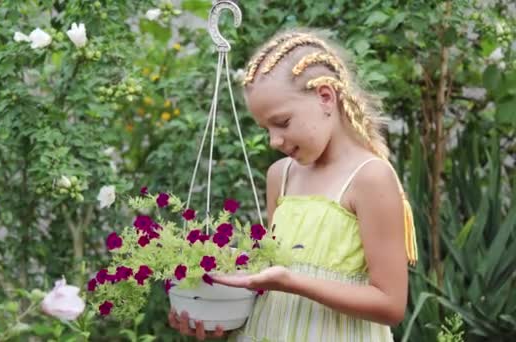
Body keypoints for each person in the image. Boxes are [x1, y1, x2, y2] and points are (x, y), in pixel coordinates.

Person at [167, 29, 418, 341]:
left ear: (325, 97)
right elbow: (274, 280)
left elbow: (390, 304)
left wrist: (292, 281)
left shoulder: (370, 178)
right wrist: (221, 310)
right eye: (265, 128)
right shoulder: (280, 175)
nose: (274, 141)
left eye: (282, 123)